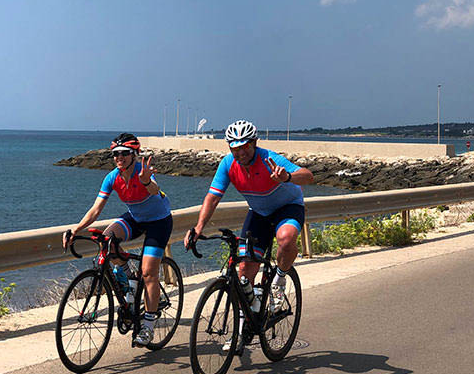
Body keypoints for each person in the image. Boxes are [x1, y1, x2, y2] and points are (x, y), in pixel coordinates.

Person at [183, 119, 314, 351]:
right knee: (244, 271)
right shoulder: (227, 164)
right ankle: (242, 328)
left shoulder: (268, 159)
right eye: (234, 147)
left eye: (244, 146)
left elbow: (308, 175)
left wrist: (287, 178)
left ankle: (280, 279)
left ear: (254, 143)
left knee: (285, 238)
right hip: (259, 213)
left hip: (288, 207)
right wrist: (199, 227)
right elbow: (213, 197)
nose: (240, 151)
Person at [64, 133, 172, 347]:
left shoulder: (143, 173)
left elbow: (156, 192)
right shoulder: (112, 177)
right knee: (106, 241)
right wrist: (76, 228)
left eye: (124, 153)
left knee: (149, 272)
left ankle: (148, 326)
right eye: (115, 154)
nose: (119, 157)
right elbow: (96, 209)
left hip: (159, 221)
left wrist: (146, 181)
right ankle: (129, 276)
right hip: (136, 218)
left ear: (134, 155)